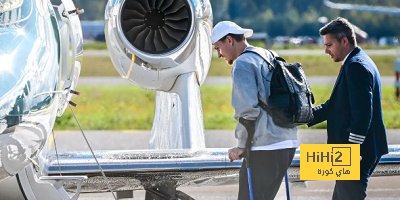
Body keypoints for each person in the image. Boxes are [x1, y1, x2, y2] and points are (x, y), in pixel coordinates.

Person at [211, 21, 298, 200]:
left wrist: (241, 146)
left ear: (229, 40)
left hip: (265, 147)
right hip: (287, 144)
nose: (219, 54)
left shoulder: (243, 63)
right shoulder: (268, 54)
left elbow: (246, 112)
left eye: (217, 48)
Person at [308, 17, 389, 200]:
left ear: (344, 41)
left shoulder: (355, 66)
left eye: (329, 45)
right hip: (354, 151)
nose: (325, 50)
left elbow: (362, 114)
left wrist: (352, 151)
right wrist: (308, 116)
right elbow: (337, 105)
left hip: (354, 152)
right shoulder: (358, 60)